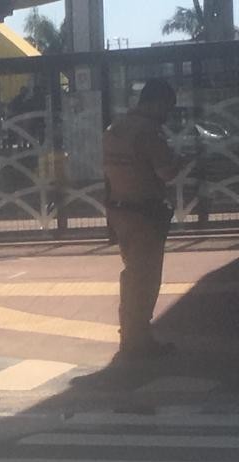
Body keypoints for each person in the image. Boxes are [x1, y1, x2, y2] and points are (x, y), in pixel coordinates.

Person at [102, 78, 184, 359]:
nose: (167, 114)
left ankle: (129, 333)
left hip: (119, 211)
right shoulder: (149, 132)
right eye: (167, 107)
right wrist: (181, 158)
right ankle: (138, 341)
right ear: (157, 102)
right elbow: (166, 173)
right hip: (145, 214)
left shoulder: (117, 128)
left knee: (132, 275)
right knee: (146, 278)